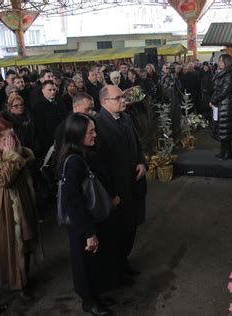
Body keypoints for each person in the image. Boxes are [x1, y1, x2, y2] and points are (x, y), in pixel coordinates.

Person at [57, 113, 114, 315]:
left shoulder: (85, 153)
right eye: (90, 132)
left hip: (91, 218)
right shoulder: (73, 161)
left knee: (95, 263)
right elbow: (72, 202)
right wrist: (89, 232)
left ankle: (96, 295)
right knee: (85, 265)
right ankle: (89, 301)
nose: (95, 135)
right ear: (78, 134)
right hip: (82, 224)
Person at [0, 119, 37, 292]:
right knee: (9, 246)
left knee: (25, 240)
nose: (12, 142)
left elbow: (29, 158)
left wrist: (15, 152)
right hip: (1, 208)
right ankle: (15, 284)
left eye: (14, 137)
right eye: (7, 139)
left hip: (20, 204)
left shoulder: (12, 147)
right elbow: (5, 180)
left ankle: (25, 277)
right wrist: (11, 156)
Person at [96, 85, 147, 284]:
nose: (123, 101)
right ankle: (114, 272)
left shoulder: (126, 118)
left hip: (133, 184)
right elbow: (100, 164)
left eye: (123, 97)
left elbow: (138, 144)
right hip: (116, 189)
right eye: (118, 98)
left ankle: (124, 262)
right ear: (104, 102)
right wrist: (109, 193)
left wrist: (142, 162)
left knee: (131, 227)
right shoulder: (99, 124)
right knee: (116, 233)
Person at [210, 54, 232, 160]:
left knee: (225, 130)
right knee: (222, 129)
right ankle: (224, 151)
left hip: (226, 106)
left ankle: (228, 152)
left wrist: (213, 100)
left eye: (221, 61)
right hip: (221, 105)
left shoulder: (229, 75)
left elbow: (224, 92)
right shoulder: (223, 73)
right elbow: (217, 90)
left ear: (226, 62)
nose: (219, 63)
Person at [32, 80, 69, 158]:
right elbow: (40, 128)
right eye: (50, 90)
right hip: (50, 143)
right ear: (43, 91)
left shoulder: (59, 101)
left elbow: (66, 116)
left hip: (63, 138)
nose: (53, 92)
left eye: (54, 89)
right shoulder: (38, 106)